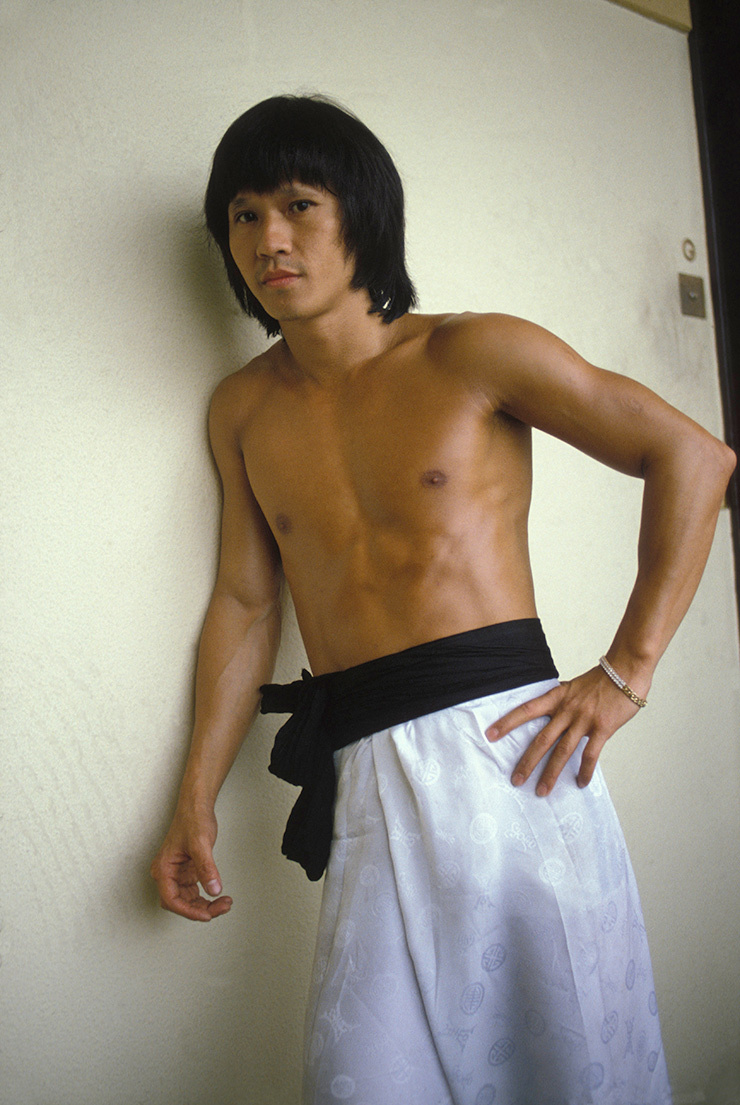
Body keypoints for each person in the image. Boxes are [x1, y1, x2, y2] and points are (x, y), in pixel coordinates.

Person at [151, 94, 735, 1104]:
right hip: (367, 771)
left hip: (516, 758)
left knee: (572, 1072)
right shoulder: (241, 408)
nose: (269, 239)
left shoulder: (473, 352)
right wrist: (194, 793)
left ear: (362, 215)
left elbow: (692, 455)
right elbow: (246, 603)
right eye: (243, 215)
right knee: (368, 1080)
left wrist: (624, 673)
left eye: (298, 205)